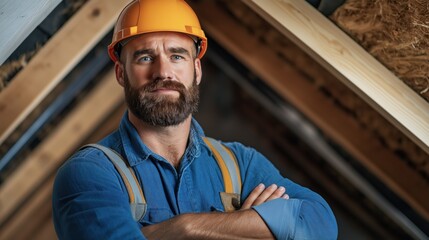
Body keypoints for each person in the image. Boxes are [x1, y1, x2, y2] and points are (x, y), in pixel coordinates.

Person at [52, 0, 338, 239]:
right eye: (144, 58)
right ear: (120, 74)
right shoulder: (90, 174)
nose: (163, 72)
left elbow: (320, 224)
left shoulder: (239, 164)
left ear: (196, 69)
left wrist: (185, 228)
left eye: (177, 56)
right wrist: (243, 226)